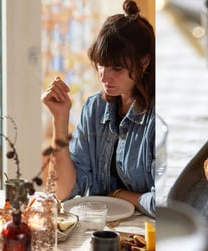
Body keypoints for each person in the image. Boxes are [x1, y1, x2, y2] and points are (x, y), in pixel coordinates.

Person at [41, 0, 155, 217]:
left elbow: (165, 201)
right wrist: (60, 119)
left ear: (144, 63)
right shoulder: (95, 108)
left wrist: (119, 195)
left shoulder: (157, 118)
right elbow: (61, 191)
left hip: (147, 235)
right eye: (101, 64)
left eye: (117, 68)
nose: (103, 76)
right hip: (97, 228)